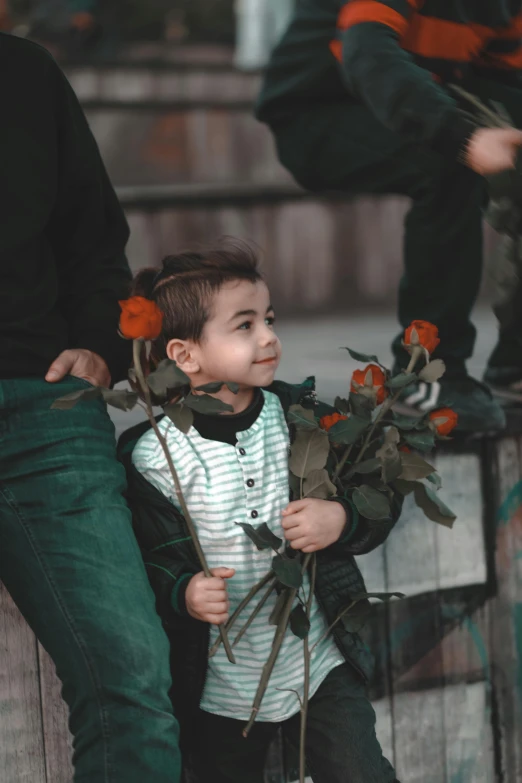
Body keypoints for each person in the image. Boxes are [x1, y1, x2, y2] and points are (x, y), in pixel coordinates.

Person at [118, 242, 403, 783]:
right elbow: (141, 558)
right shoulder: (155, 456)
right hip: (220, 686)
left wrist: (341, 517)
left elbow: (380, 488)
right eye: (244, 325)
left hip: (316, 662)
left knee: (362, 773)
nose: (270, 337)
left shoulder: (299, 418)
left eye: (268, 319)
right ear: (184, 355)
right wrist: (183, 591)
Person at [0, 32, 181, 781]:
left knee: (133, 685)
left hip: (42, 407)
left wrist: (100, 344)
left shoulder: (26, 75)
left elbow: (92, 239)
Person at [255, 0, 522, 433]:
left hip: (416, 94)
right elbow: (368, 56)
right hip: (318, 111)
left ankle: (514, 364)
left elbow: (503, 84)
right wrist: (464, 139)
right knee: (450, 165)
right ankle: (426, 376)